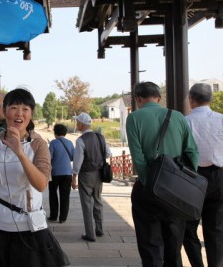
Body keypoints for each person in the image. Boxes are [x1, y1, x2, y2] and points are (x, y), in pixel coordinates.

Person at [0, 88, 69, 267]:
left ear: (31, 114)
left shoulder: (38, 144)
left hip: (30, 226)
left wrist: (20, 153)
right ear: (4, 112)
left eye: (25, 109)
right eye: (13, 108)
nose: (19, 113)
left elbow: (41, 183)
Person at [126, 81, 198, 267]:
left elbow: (138, 157)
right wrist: (185, 181)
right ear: (159, 98)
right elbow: (192, 151)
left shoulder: (134, 118)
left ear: (138, 99)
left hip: (148, 189)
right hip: (175, 190)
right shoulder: (178, 117)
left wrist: (148, 183)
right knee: (173, 245)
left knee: (150, 244)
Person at [183, 83, 223, 267]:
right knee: (215, 229)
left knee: (189, 228)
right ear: (211, 99)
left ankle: (197, 264)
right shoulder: (221, 119)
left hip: (193, 178)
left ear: (191, 99)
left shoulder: (185, 121)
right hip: (219, 176)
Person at [71, 112, 111, 242]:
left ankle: (90, 234)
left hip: (86, 175)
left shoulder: (80, 140)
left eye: (77, 122)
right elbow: (108, 154)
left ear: (82, 124)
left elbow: (77, 163)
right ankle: (99, 229)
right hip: (99, 174)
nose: (76, 124)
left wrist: (74, 178)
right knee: (98, 201)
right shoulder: (100, 137)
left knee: (86, 204)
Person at [48, 124, 74, 224]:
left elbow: (49, 158)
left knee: (53, 194)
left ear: (55, 132)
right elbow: (72, 157)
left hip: (54, 173)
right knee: (65, 196)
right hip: (67, 173)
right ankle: (63, 218)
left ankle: (53, 216)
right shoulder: (70, 143)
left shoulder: (53, 143)